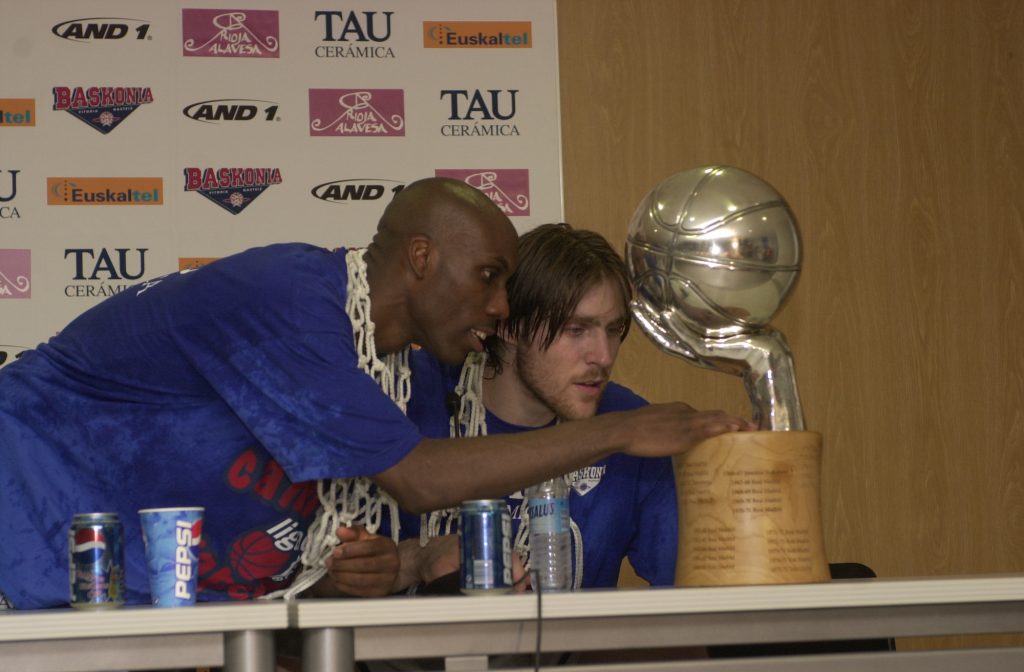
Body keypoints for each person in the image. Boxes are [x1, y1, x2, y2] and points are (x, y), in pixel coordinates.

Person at [0, 177, 753, 611]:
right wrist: (619, 432)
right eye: (490, 278)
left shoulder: (392, 373)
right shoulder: (292, 297)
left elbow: (321, 567)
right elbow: (416, 475)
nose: (499, 308)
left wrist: (401, 567)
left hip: (126, 595)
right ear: (420, 259)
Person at [401, 223, 683, 590]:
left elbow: (694, 596)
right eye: (576, 330)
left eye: (613, 330)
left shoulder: (631, 426)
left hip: (570, 648)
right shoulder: (411, 396)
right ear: (509, 325)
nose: (603, 356)